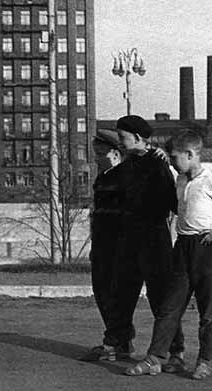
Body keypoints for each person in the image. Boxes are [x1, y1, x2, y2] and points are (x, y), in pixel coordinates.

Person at [126, 131, 212, 379]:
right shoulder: (180, 179)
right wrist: (159, 154)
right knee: (169, 307)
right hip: (181, 250)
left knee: (209, 310)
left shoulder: (210, 180)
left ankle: (204, 361)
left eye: (175, 157)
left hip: (206, 249)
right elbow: (163, 165)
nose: (172, 161)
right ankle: (155, 358)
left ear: (191, 155)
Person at [84, 115, 179, 361]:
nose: (121, 142)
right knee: (121, 294)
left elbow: (173, 202)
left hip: (154, 238)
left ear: (137, 138)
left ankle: (174, 349)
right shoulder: (127, 166)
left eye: (124, 137)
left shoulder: (158, 165)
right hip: (128, 239)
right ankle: (116, 343)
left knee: (161, 295)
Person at [81, 130, 129, 361]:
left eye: (100, 154)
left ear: (115, 153)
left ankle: (115, 342)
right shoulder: (102, 178)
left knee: (115, 294)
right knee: (101, 292)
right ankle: (119, 340)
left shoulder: (125, 177)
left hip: (118, 245)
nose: (96, 158)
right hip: (101, 244)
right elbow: (97, 214)